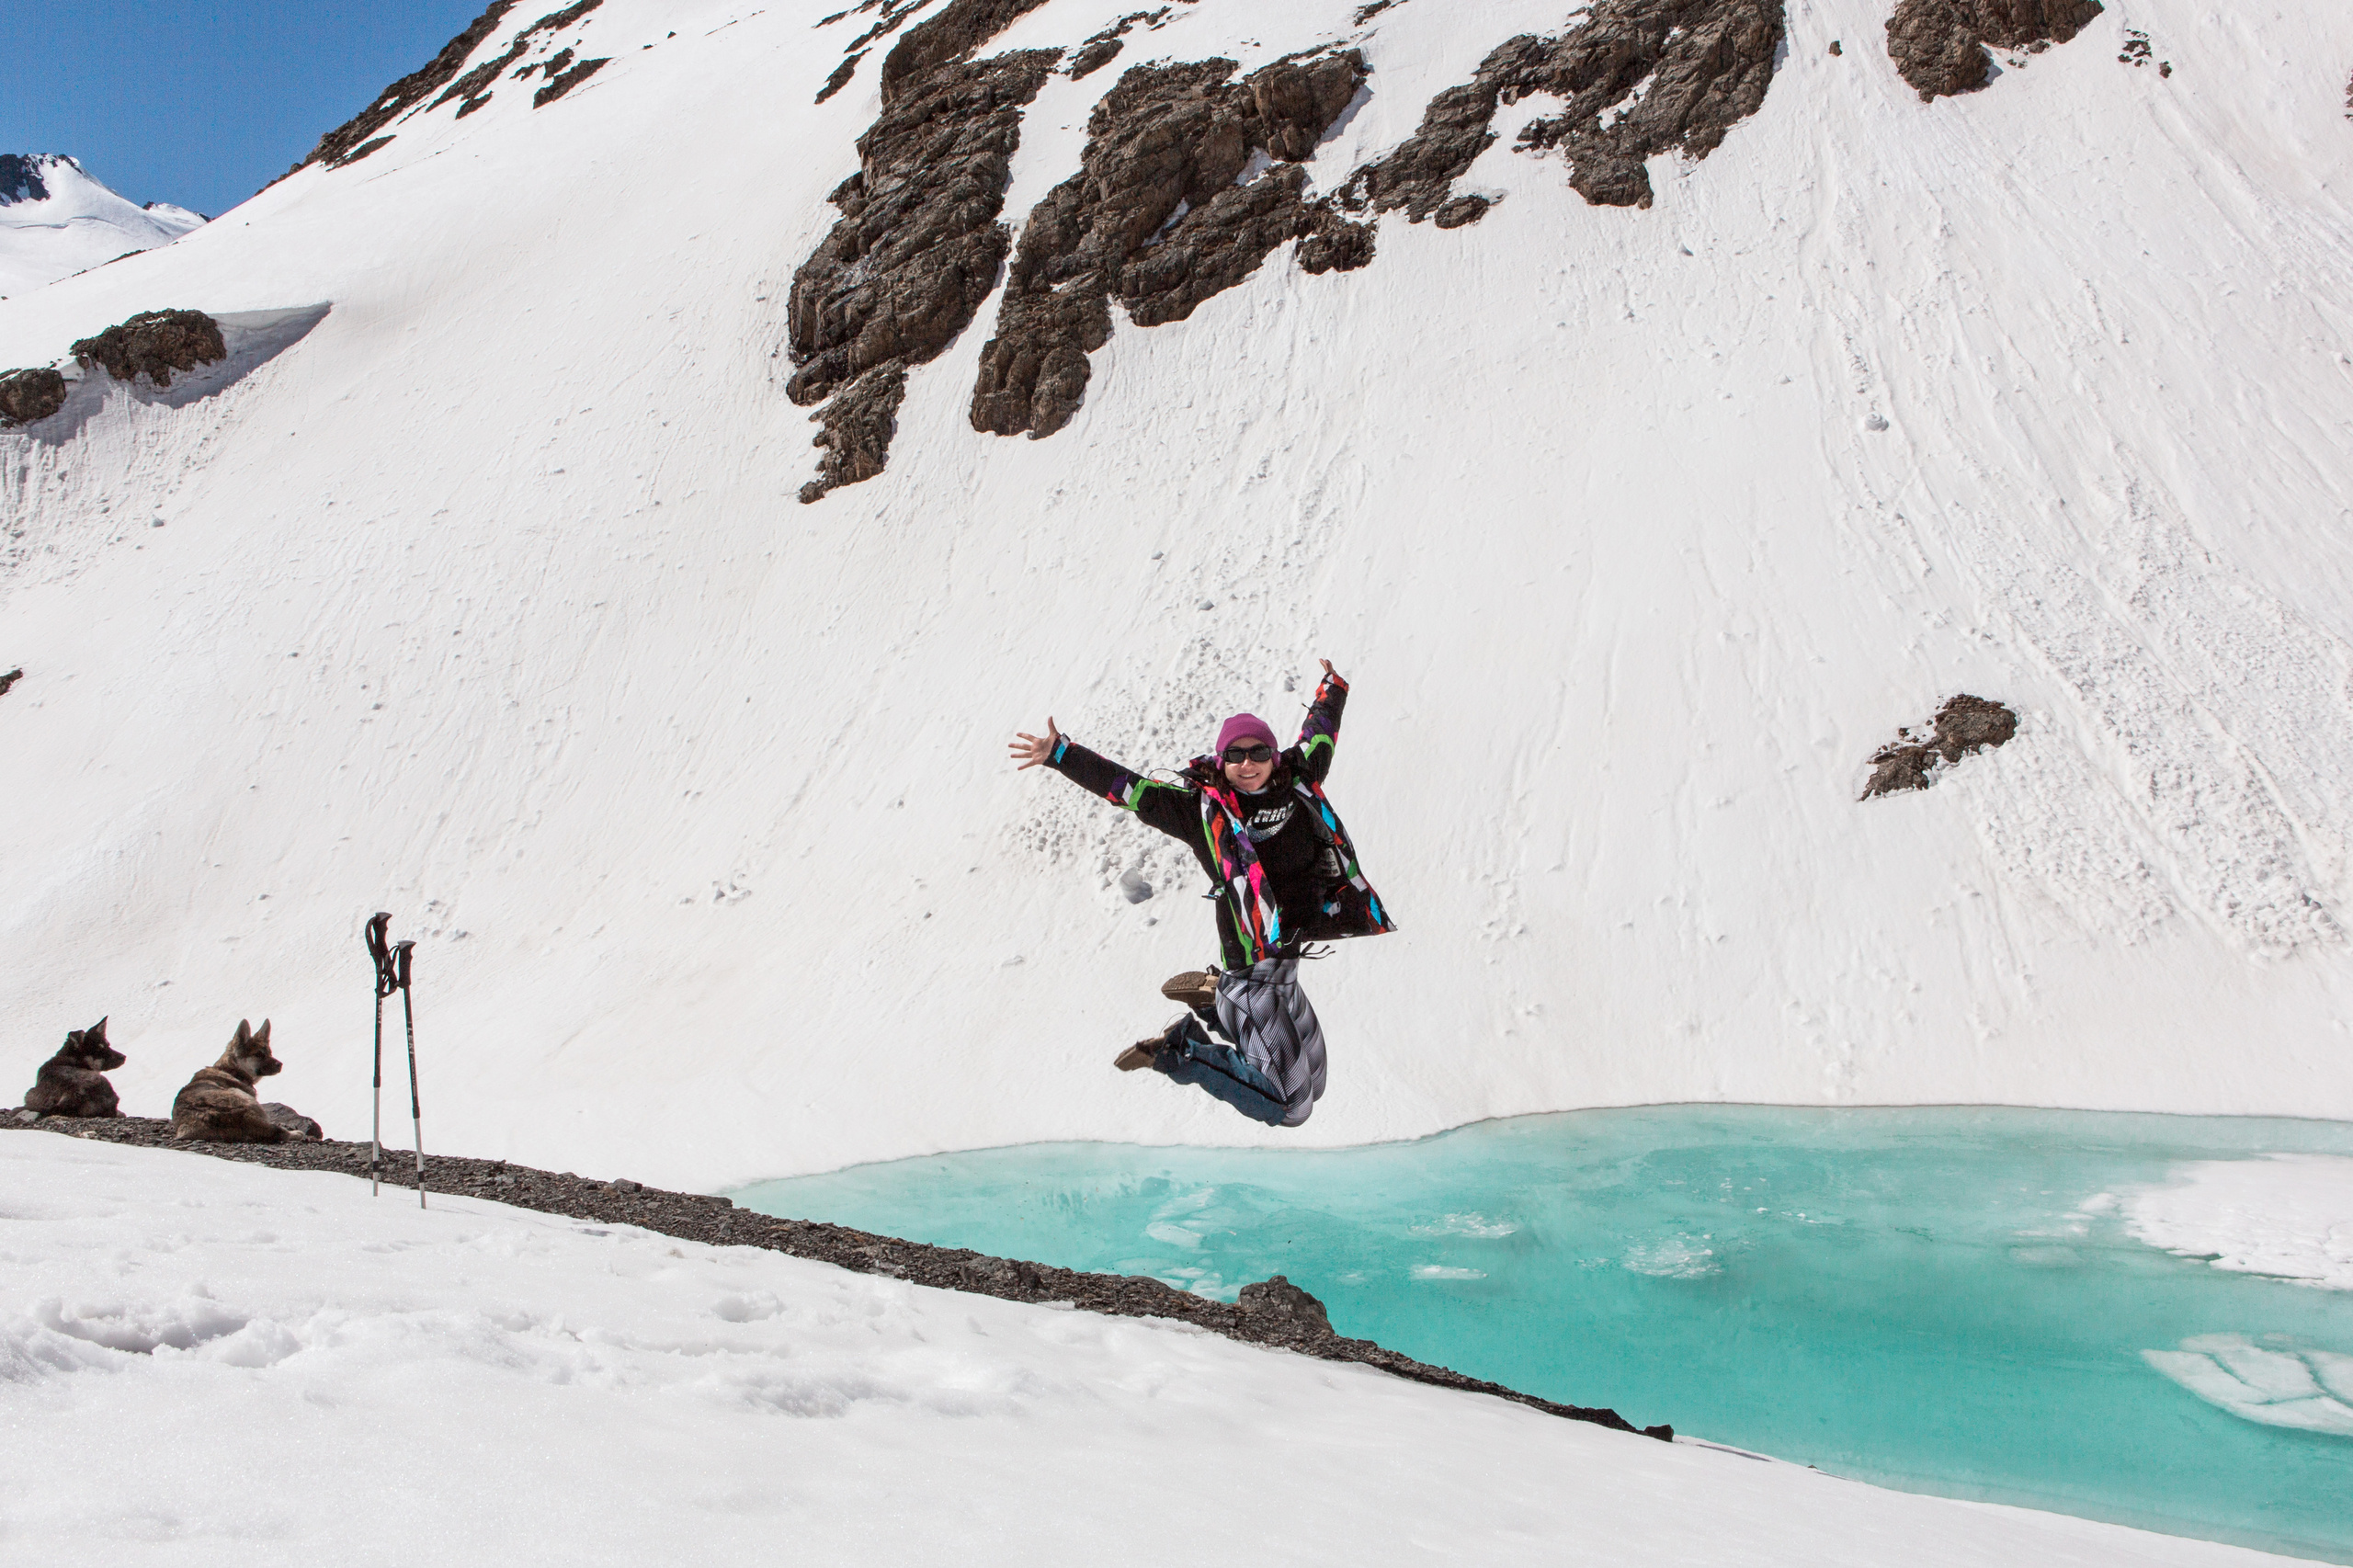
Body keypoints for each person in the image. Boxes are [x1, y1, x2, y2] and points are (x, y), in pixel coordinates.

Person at [1008, 660, 1395, 1127]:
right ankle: (1180, 1051)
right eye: (1235, 756)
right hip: (1252, 974)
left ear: (1274, 755)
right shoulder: (1198, 812)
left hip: (1286, 966)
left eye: (1257, 753)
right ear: (1221, 761)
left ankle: (1214, 1002)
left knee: (1316, 1082)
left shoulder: (1297, 781)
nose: (1247, 764)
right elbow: (1129, 789)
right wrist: (1061, 754)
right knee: (1291, 1106)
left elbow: (1321, 734)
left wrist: (1332, 688)